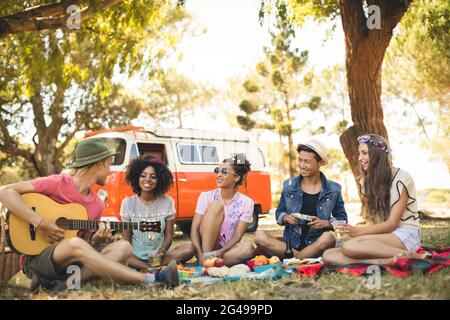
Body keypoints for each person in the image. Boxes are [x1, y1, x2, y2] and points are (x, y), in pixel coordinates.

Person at [0, 138, 178, 291]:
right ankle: (149, 279)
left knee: (124, 247)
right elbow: (5, 191)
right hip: (38, 258)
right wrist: (39, 222)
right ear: (99, 164)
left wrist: (96, 240)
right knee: (75, 244)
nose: (110, 171)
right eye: (109, 165)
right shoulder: (57, 183)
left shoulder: (96, 204)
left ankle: (63, 285)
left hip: (71, 263)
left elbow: (83, 244)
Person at [322, 134, 429, 265]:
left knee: (350, 246)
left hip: (404, 234)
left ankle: (410, 255)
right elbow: (377, 223)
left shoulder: (402, 178)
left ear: (377, 154)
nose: (360, 158)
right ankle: (388, 261)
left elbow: (391, 224)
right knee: (328, 255)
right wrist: (357, 235)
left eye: (364, 153)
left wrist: (357, 232)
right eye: (359, 153)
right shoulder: (367, 182)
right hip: (385, 235)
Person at [254, 140, 347, 259]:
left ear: (319, 162)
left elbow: (342, 220)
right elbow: (279, 213)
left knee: (329, 237)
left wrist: (326, 223)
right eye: (300, 160)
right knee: (258, 236)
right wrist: (286, 217)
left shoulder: (334, 189)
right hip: (292, 244)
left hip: (317, 244)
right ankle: (301, 259)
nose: (302, 165)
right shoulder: (289, 185)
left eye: (307, 161)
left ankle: (293, 259)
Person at [162, 153, 255, 266]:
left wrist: (220, 252)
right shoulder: (206, 196)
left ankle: (210, 262)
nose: (218, 175)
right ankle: (207, 259)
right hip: (204, 249)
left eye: (224, 172)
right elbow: (194, 230)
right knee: (216, 206)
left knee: (248, 249)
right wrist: (201, 254)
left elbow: (237, 236)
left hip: (226, 251)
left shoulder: (247, 203)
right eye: (217, 170)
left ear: (236, 177)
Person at [121, 156, 175, 270]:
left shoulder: (168, 201)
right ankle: (150, 268)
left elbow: (169, 236)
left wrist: (159, 253)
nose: (147, 179)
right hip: (134, 257)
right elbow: (126, 241)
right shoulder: (127, 203)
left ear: (160, 179)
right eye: (143, 175)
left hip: (159, 256)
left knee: (189, 249)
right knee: (120, 253)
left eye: (153, 176)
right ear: (136, 177)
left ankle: (148, 267)